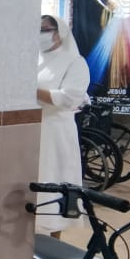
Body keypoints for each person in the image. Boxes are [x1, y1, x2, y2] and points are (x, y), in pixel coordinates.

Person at [37, 15, 90, 237]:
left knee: (55, 180)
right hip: (33, 128)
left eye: (45, 29)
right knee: (36, 182)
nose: (40, 34)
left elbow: (70, 98)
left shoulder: (74, 62)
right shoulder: (34, 58)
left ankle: (54, 237)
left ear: (60, 33)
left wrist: (31, 90)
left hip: (57, 131)